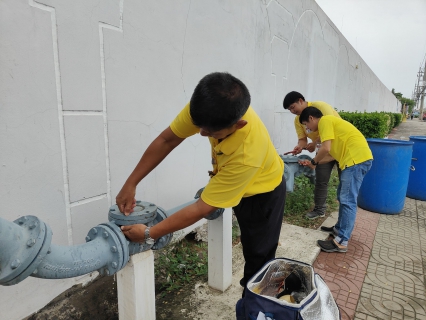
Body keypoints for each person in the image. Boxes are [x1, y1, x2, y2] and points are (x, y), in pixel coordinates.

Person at [116, 72, 286, 287]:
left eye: (211, 132)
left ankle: (256, 308)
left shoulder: (246, 155)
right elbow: (167, 139)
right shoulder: (208, 108)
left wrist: (150, 233)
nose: (201, 133)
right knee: (252, 247)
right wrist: (131, 183)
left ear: (239, 124)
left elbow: (203, 208)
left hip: (263, 194)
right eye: (199, 126)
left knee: (258, 259)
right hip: (236, 181)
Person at [298, 107, 373, 253]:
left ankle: (342, 241)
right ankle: (339, 229)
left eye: (306, 124)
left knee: (348, 200)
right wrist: (313, 163)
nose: (307, 129)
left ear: (312, 118)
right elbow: (328, 155)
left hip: (355, 161)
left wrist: (314, 162)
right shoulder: (330, 128)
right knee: (342, 196)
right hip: (353, 161)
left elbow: (325, 149)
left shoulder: (325, 121)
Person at [283, 91, 340, 219]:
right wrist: (300, 147)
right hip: (323, 150)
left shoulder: (321, 107)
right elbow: (303, 139)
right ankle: (319, 210)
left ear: (301, 101)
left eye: (293, 107)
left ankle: (344, 214)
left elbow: (331, 127)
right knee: (321, 180)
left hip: (339, 147)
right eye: (289, 110)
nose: (292, 111)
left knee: (345, 182)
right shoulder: (298, 121)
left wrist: (314, 143)